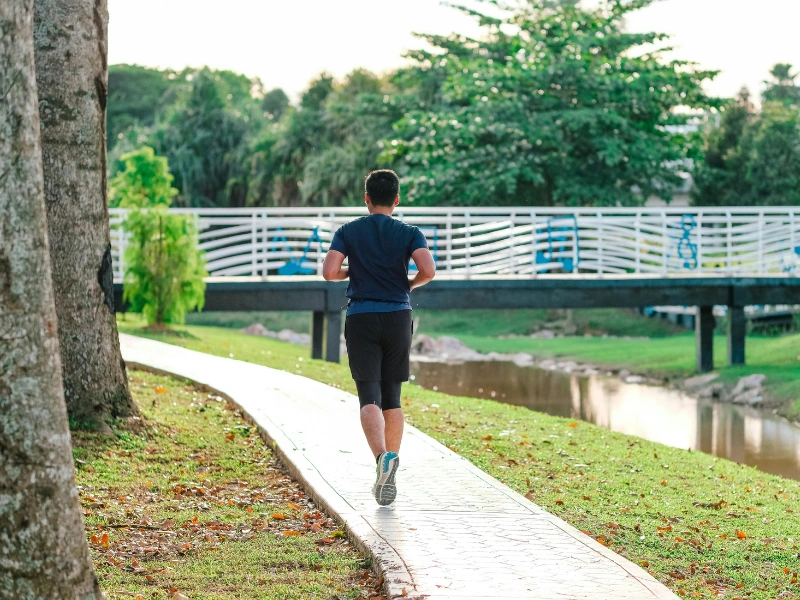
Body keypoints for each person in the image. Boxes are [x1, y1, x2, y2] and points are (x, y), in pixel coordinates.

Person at [322, 170, 436, 506]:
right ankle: (391, 464)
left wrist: (352, 271)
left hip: (361, 317)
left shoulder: (348, 231)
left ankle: (381, 459)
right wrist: (408, 284)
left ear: (367, 199)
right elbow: (428, 270)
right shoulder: (409, 233)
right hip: (398, 315)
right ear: (397, 200)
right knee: (393, 397)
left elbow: (329, 273)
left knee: (368, 395)